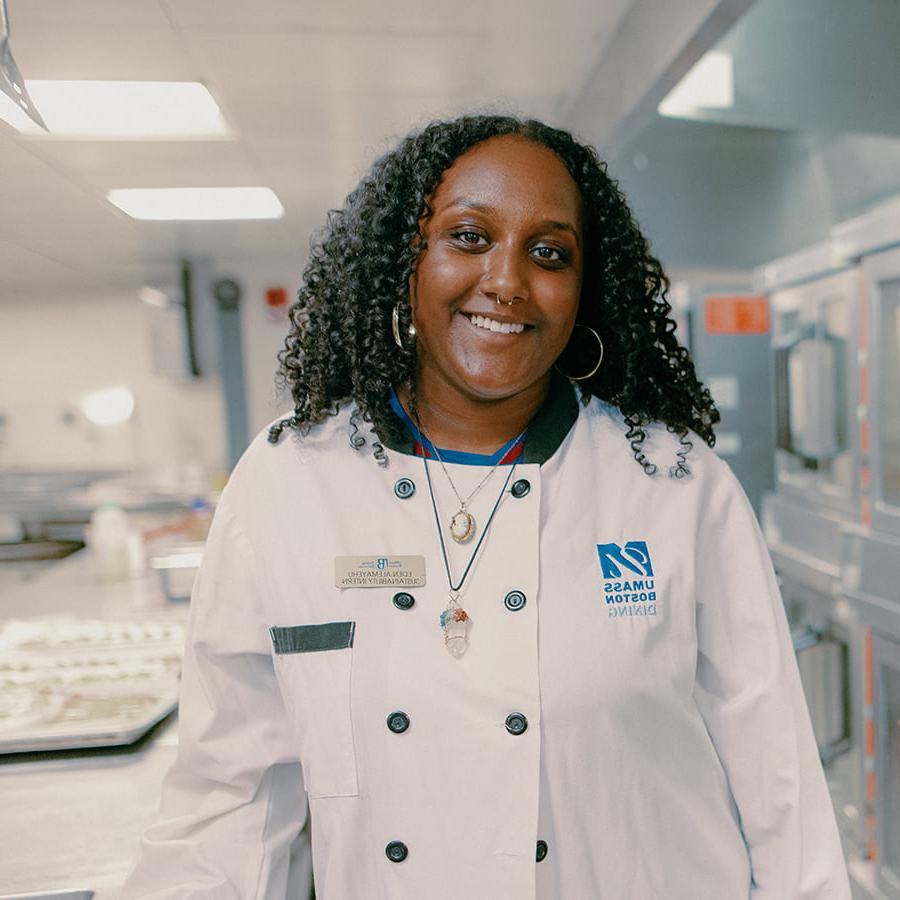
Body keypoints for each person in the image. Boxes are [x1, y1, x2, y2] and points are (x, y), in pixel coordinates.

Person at [121, 115, 851, 899]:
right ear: (407, 259)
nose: (506, 281)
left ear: (583, 290)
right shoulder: (291, 480)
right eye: (469, 237)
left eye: (549, 253)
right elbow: (228, 798)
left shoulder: (675, 483)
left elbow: (780, 782)